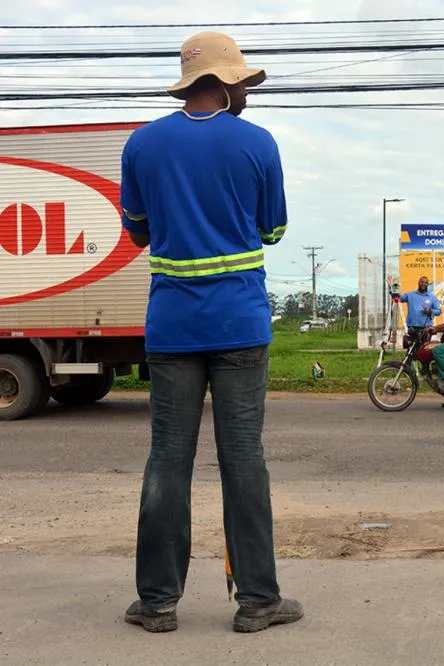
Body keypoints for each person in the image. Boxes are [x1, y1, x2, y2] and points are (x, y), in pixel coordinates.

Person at [119, 31, 302, 634]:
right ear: (227, 84)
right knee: (243, 459)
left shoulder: (142, 145)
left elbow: (139, 233)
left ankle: (157, 604)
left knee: (168, 460)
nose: (246, 93)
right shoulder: (257, 144)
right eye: (243, 84)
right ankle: (257, 602)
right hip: (240, 323)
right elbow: (272, 231)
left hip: (172, 326)